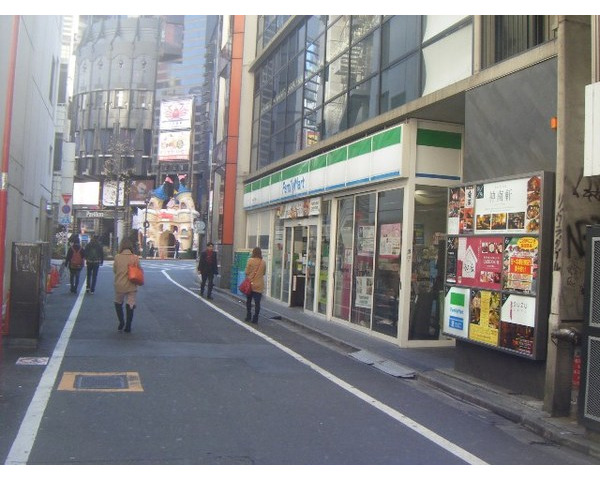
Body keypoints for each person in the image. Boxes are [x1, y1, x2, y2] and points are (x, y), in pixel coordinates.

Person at [113, 238, 140, 333]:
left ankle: (121, 322)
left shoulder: (117, 257)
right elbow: (139, 269)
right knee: (130, 304)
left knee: (118, 302)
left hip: (120, 284)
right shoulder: (135, 257)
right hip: (132, 284)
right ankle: (128, 325)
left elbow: (115, 270)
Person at [244, 246, 266, 324]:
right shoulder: (263, 262)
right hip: (259, 285)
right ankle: (255, 318)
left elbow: (246, 272)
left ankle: (248, 315)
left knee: (249, 301)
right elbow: (264, 273)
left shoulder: (250, 260)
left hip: (251, 284)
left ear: (253, 252)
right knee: (257, 303)